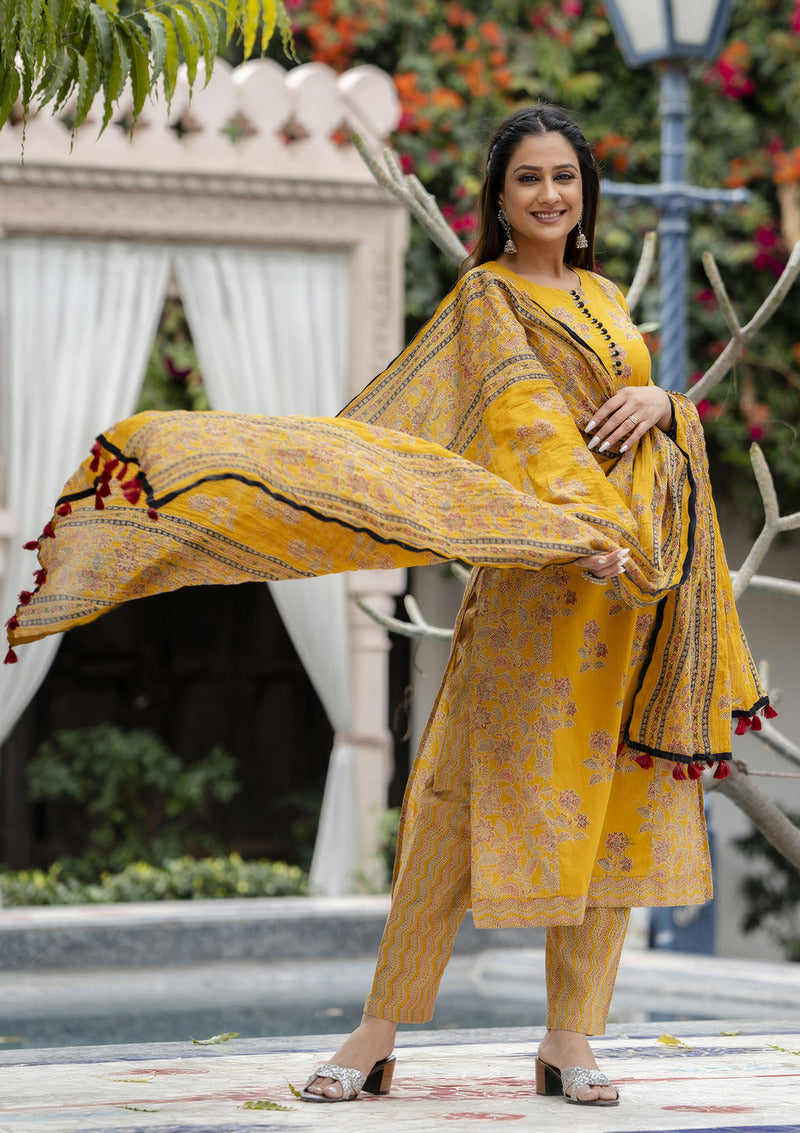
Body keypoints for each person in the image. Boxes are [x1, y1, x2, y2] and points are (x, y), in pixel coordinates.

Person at [6, 105, 769, 1107]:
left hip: (626, 601)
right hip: (543, 580)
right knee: (450, 806)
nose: (548, 194)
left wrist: (670, 407)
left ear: (585, 195)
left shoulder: (594, 295)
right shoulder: (487, 296)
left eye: (564, 178)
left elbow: (630, 415)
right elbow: (523, 424)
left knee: (606, 811)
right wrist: (582, 531)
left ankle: (568, 1040)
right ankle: (374, 1032)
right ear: (497, 199)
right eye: (528, 178)